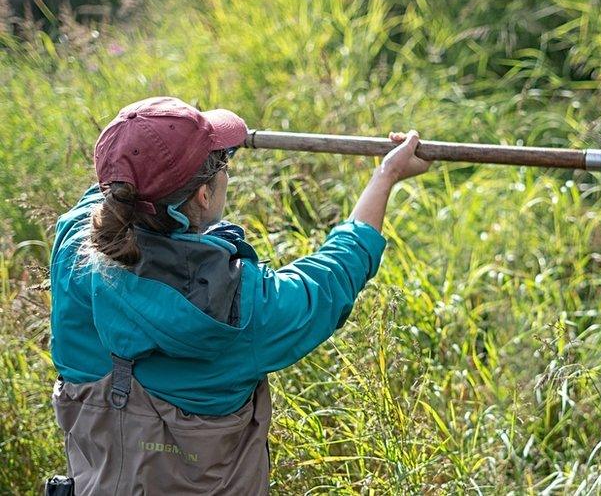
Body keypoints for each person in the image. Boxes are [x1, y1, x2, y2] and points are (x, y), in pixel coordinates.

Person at [48, 96, 430, 494]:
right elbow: (332, 276)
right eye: (222, 167)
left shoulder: (76, 239)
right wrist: (385, 175)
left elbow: (127, 181)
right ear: (203, 196)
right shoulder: (240, 311)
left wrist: (166, 138)